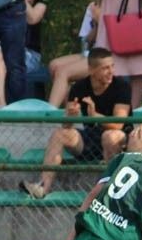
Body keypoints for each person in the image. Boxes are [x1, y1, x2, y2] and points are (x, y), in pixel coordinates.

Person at [19, 48, 132, 199]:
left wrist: (95, 116)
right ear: (91, 70)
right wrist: (71, 115)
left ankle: (110, 192)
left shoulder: (121, 86)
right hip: (91, 139)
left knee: (110, 136)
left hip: (119, 140)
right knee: (60, 134)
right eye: (105, 68)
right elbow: (66, 126)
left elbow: (119, 124)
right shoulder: (79, 88)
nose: (111, 71)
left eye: (112, 66)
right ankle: (42, 187)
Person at [0, 0, 47, 108]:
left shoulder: (41, 4)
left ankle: (0, 105)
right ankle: (0, 104)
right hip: (4, 52)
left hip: (30, 55)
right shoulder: (9, 4)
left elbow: (33, 18)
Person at [46, 2, 100, 107]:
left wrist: (102, 20)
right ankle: (72, 110)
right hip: (91, 52)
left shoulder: (116, 5)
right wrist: (97, 25)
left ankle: (50, 112)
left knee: (63, 72)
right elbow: (87, 41)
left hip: (107, 53)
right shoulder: (93, 6)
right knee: (54, 65)